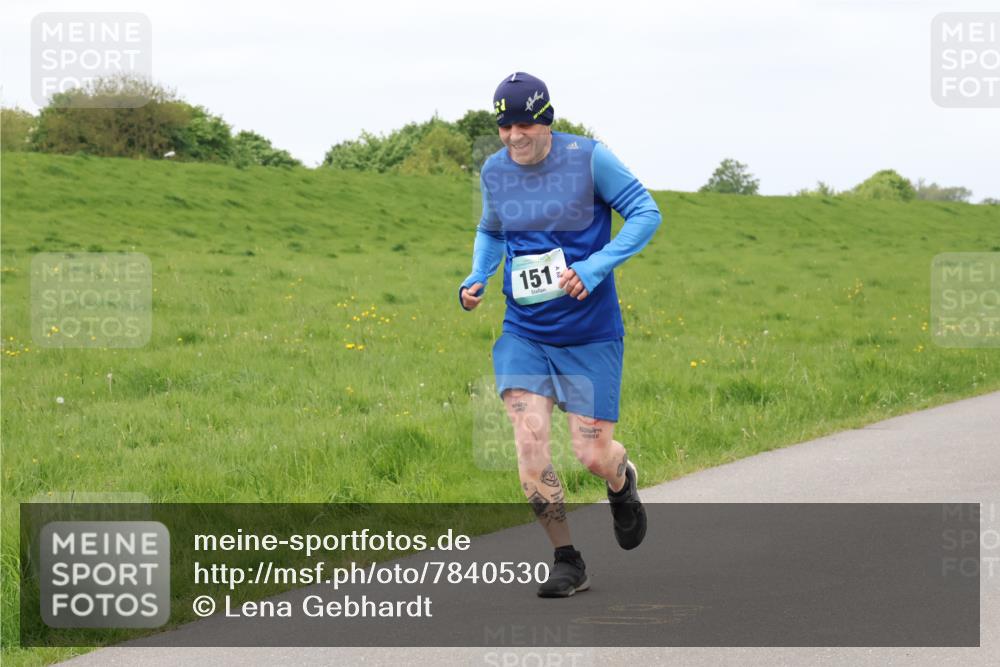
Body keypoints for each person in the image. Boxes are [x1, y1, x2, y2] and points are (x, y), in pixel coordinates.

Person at [459, 72, 662, 598]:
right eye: (503, 125)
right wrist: (478, 274)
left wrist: (595, 266)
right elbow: (492, 230)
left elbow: (646, 212)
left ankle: (621, 481)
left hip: (590, 333)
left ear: (547, 119)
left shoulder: (590, 158)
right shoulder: (495, 170)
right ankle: (566, 558)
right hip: (524, 329)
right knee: (528, 438)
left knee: (592, 454)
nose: (513, 135)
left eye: (524, 123)